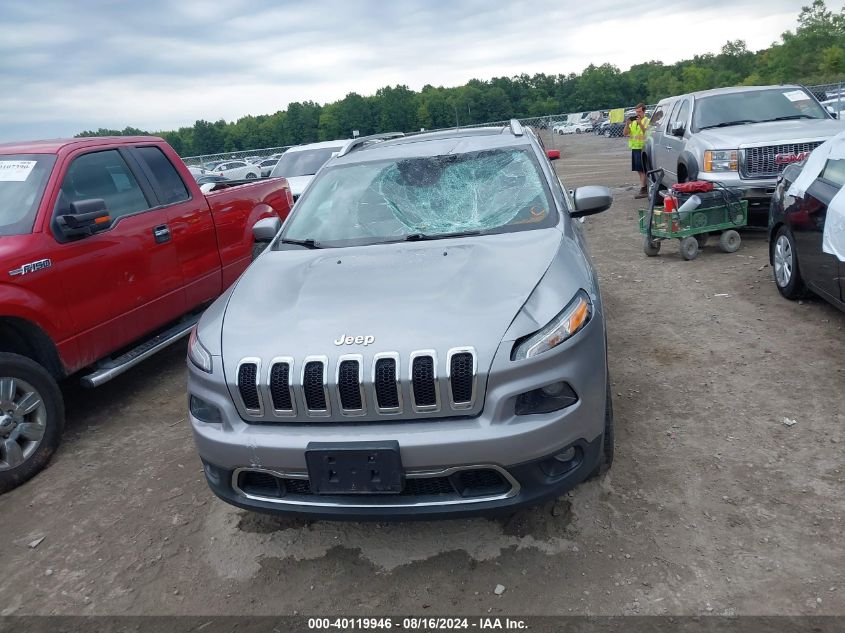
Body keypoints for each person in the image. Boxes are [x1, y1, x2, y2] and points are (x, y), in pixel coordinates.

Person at [624, 103, 650, 199]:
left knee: (643, 169)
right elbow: (625, 133)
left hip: (643, 148)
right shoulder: (634, 122)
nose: (637, 113)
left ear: (644, 111)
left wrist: (640, 124)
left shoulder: (647, 121)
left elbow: (647, 133)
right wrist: (627, 125)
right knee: (639, 170)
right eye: (636, 112)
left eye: (639, 111)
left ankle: (644, 189)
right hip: (635, 148)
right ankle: (644, 187)